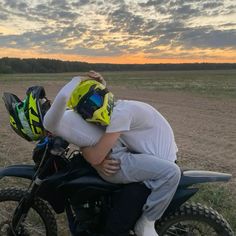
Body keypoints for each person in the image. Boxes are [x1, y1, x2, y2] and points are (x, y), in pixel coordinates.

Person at [2, 80, 151, 236]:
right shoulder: (66, 114)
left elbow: (88, 141)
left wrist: (95, 162)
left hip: (126, 159)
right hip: (124, 151)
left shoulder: (59, 119)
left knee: (114, 227)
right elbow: (85, 136)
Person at [67, 72, 181, 236]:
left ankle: (147, 222)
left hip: (158, 169)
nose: (89, 113)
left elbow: (95, 157)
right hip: (151, 156)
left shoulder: (120, 115)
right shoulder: (120, 107)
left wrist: (92, 157)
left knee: (115, 227)